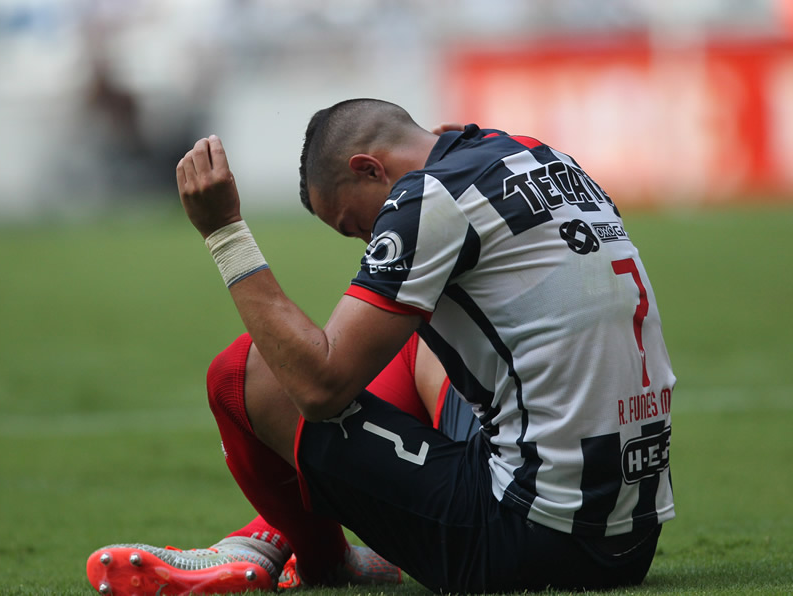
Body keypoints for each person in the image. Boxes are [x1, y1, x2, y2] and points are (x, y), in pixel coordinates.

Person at [95, 98, 676, 594]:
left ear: (371, 169)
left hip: (529, 540)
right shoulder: (537, 153)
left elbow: (320, 387)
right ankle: (266, 535)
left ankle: (323, 560)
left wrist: (225, 234)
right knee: (411, 336)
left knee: (243, 373)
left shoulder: (427, 198)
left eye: (359, 226)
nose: (369, 241)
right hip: (630, 537)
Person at [87, 332, 477, 595]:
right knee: (424, 334)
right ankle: (301, 549)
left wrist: (226, 235)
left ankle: (279, 543)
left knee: (241, 371)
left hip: (487, 525)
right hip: (507, 504)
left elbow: (323, 375)